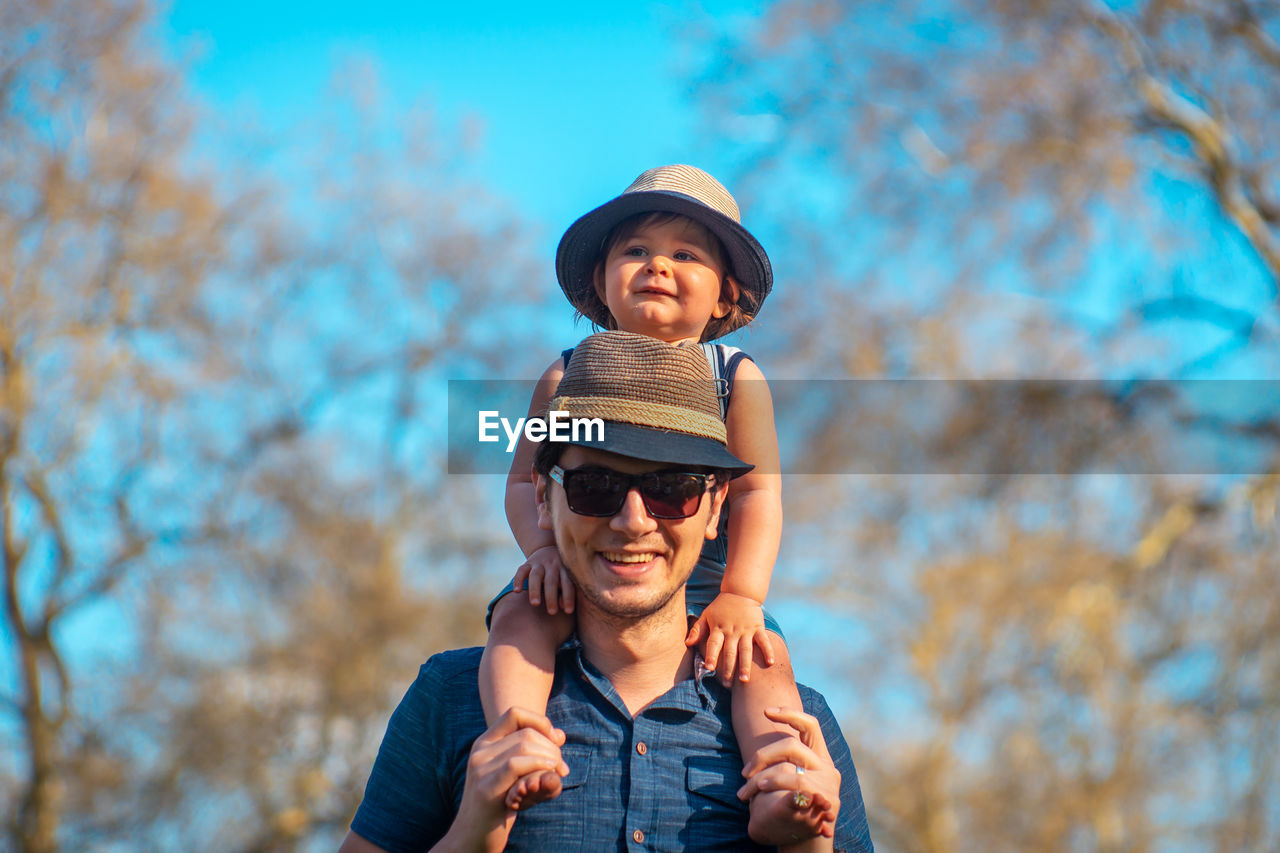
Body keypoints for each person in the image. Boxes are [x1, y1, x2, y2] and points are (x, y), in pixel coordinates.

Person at [339, 332, 873, 852]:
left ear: (715, 508)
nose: (632, 521)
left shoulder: (798, 727)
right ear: (544, 499)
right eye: (595, 486)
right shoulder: (450, 697)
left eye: (673, 490)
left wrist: (808, 846)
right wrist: (474, 834)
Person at [484, 166, 800, 840]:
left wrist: (742, 593)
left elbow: (758, 492)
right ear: (600, 281)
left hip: (704, 581)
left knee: (762, 659)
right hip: (588, 571)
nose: (658, 265)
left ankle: (777, 774)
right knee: (518, 616)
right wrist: (542, 551)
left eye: (686, 254)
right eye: (636, 250)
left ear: (726, 295)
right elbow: (522, 482)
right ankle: (520, 736)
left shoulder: (735, 379)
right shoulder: (566, 376)